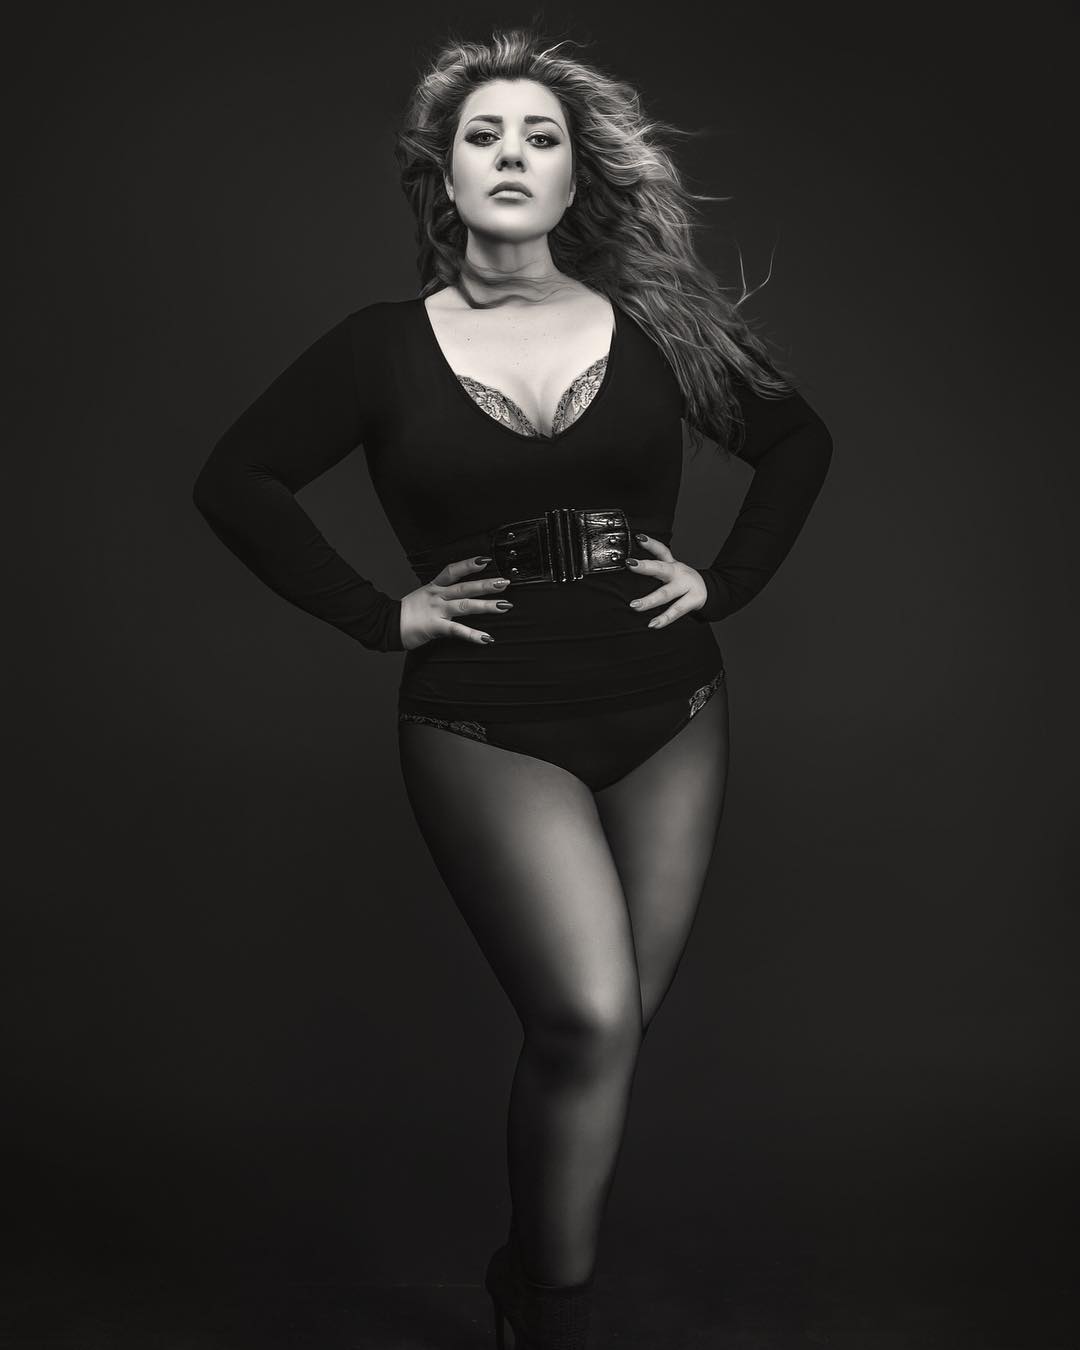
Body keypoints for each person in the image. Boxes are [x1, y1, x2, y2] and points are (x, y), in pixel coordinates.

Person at [192, 28, 834, 1350]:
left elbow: (795, 441)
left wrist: (725, 581)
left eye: (540, 138)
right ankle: (554, 1316)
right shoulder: (378, 349)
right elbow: (236, 482)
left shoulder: (655, 327)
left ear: (572, 179)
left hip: (672, 712)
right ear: (444, 174)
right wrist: (381, 613)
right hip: (486, 724)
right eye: (483, 134)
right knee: (585, 1016)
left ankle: (522, 1275)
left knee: (611, 1029)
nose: (511, 155)